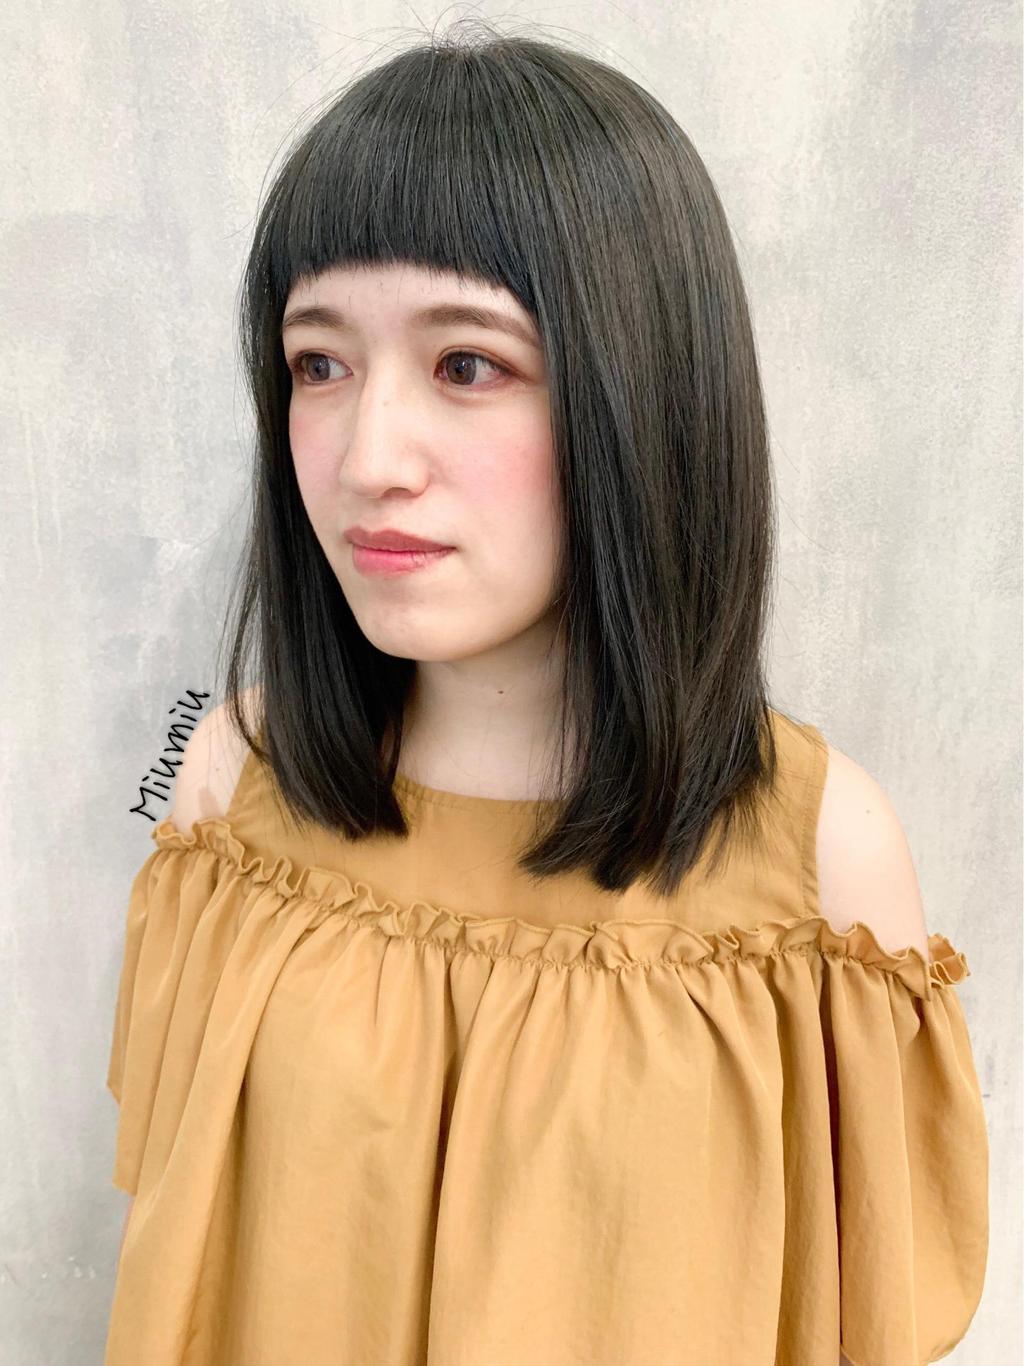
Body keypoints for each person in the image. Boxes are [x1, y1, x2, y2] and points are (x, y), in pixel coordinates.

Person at [104, 20, 988, 1366]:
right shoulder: (234, 782)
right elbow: (178, 1266)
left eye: (468, 364)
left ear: (644, 395)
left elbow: (857, 1322)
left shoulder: (823, 858)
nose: (367, 457)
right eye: (318, 363)